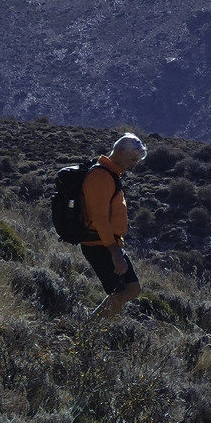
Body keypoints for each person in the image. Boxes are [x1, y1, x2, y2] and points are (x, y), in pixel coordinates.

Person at [80, 133, 146, 320]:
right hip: (98, 244)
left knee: (132, 289)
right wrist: (114, 252)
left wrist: (116, 247)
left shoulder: (111, 174)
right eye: (133, 158)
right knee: (118, 294)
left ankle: (95, 322)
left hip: (111, 243)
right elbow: (99, 218)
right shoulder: (100, 176)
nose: (134, 163)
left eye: (137, 159)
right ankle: (95, 331)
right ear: (120, 152)